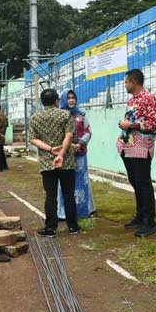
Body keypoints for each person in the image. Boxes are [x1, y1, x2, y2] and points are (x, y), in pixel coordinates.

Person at [116, 69, 156, 238]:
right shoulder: (132, 100)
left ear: (133, 83)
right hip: (129, 146)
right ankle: (141, 215)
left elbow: (154, 123)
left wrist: (132, 126)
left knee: (143, 183)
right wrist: (125, 126)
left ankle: (150, 222)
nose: (125, 84)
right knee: (135, 181)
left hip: (142, 147)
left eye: (126, 82)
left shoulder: (148, 98)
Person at [29, 88, 79, 237]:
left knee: (50, 195)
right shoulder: (65, 115)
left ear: (42, 102)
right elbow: (69, 136)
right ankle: (73, 226)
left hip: (47, 162)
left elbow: (33, 139)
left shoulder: (35, 118)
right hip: (66, 161)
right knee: (68, 194)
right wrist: (62, 153)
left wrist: (51, 150)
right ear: (57, 100)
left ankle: (50, 228)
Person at [57, 89, 95, 219]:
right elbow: (58, 134)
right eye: (68, 98)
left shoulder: (82, 114)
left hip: (80, 154)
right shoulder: (59, 115)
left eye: (73, 98)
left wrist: (80, 144)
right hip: (65, 154)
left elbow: (88, 131)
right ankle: (64, 212)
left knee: (81, 182)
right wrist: (69, 146)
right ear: (63, 100)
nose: (71, 100)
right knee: (65, 183)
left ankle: (83, 210)